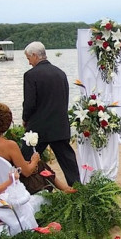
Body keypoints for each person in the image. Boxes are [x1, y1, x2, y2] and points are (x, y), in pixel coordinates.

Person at [0, 102, 75, 193]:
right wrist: (34, 160)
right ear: (7, 123)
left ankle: (64, 188)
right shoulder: (9, 145)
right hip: (11, 185)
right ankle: (64, 188)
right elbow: (26, 172)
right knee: (40, 164)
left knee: (38, 165)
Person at [22, 41, 80, 186]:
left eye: (29, 58)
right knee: (68, 163)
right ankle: (78, 191)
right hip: (59, 125)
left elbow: (30, 103)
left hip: (38, 128)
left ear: (35, 55)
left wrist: (25, 119)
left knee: (26, 159)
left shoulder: (30, 75)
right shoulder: (60, 73)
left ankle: (24, 188)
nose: (29, 63)